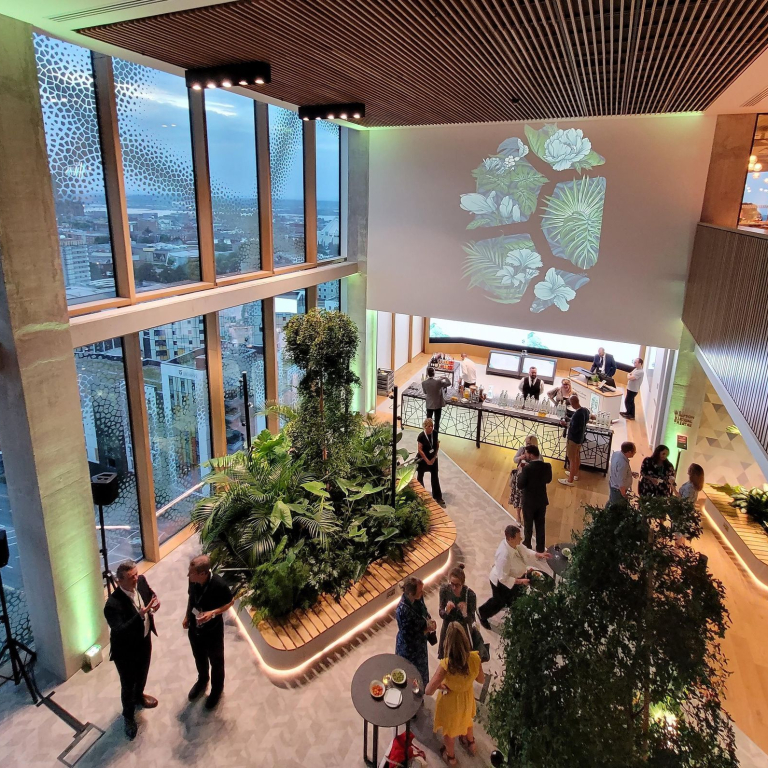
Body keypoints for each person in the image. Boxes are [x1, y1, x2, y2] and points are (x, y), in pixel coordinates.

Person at [104, 560, 160, 740]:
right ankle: (128, 716)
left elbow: (150, 594)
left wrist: (155, 601)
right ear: (120, 581)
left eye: (136, 574)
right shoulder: (112, 604)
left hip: (144, 639)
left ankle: (140, 696)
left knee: (143, 673)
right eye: (131, 577)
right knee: (128, 683)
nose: (136, 579)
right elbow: (120, 631)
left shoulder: (141, 581)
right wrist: (140, 615)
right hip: (126, 650)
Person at [426, 622, 484, 766]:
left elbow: (428, 690)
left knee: (449, 732)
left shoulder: (446, 665)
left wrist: (441, 685)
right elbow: (481, 680)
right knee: (467, 720)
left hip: (450, 702)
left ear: (448, 644)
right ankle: (471, 743)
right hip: (467, 697)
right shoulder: (475, 658)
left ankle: (451, 757)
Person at [183, 554, 234, 710]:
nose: (188, 575)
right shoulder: (193, 581)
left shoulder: (219, 584)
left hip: (213, 631)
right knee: (199, 656)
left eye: (191, 573)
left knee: (216, 662)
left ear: (203, 573)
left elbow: (229, 602)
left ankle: (216, 690)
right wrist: (187, 616)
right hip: (195, 627)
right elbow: (191, 598)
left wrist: (212, 613)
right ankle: (202, 679)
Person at [477, 523, 551, 629]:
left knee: (515, 598)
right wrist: (521, 581)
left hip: (515, 578)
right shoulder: (504, 555)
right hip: (500, 583)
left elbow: (524, 550)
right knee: (498, 602)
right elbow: (503, 578)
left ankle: (516, 618)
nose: (521, 538)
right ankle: (482, 613)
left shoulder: (514, 544)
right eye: (518, 537)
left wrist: (538, 554)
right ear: (511, 538)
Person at [395, 576, 436, 689]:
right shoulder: (402, 611)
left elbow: (424, 611)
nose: (422, 593)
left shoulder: (419, 598)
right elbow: (408, 636)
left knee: (421, 674)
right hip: (409, 649)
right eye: (419, 591)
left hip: (420, 646)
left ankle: (420, 693)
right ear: (410, 594)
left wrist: (429, 621)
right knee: (409, 675)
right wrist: (425, 630)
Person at [516, 444, 552, 552]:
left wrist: (520, 472)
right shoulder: (547, 466)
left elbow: (520, 485)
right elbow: (548, 480)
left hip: (529, 502)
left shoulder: (527, 469)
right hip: (541, 500)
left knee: (528, 525)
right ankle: (540, 548)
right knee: (540, 525)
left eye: (526, 453)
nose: (525, 455)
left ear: (531, 455)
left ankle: (527, 545)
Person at [437, 564, 477, 659]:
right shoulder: (445, 590)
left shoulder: (470, 595)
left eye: (457, 585)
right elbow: (441, 613)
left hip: (462, 633)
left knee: (462, 660)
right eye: (452, 584)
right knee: (447, 660)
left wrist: (464, 613)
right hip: (448, 630)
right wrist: (447, 610)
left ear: (462, 584)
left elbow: (471, 619)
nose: (454, 588)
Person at [559, 395, 591, 486]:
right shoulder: (585, 410)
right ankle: (575, 474)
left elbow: (574, 428)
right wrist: (570, 421)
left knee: (572, 459)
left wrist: (566, 424)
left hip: (573, 439)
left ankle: (570, 480)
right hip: (580, 438)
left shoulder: (577, 414)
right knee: (576, 457)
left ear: (572, 403)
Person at [417, 417, 445, 507]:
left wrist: (434, 457)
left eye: (432, 426)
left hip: (432, 458)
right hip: (423, 459)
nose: (431, 428)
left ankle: (438, 497)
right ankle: (421, 496)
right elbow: (420, 450)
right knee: (420, 476)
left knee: (435, 477)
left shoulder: (435, 433)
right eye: (429, 426)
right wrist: (427, 460)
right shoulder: (421, 436)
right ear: (425, 427)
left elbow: (437, 445)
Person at [508, 435, 538, 518]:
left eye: (529, 443)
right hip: (520, 476)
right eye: (526, 443)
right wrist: (520, 457)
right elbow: (514, 459)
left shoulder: (537, 454)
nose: (527, 445)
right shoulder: (522, 449)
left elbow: (539, 466)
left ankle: (527, 515)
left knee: (527, 499)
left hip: (530, 479)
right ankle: (518, 515)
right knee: (518, 496)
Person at [422, 366, 450, 434]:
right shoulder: (438, 382)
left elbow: (425, 392)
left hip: (429, 405)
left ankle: (427, 434)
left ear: (427, 374)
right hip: (437, 405)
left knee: (428, 421)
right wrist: (445, 378)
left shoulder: (424, 383)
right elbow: (449, 383)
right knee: (437, 421)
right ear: (434, 373)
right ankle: (435, 435)